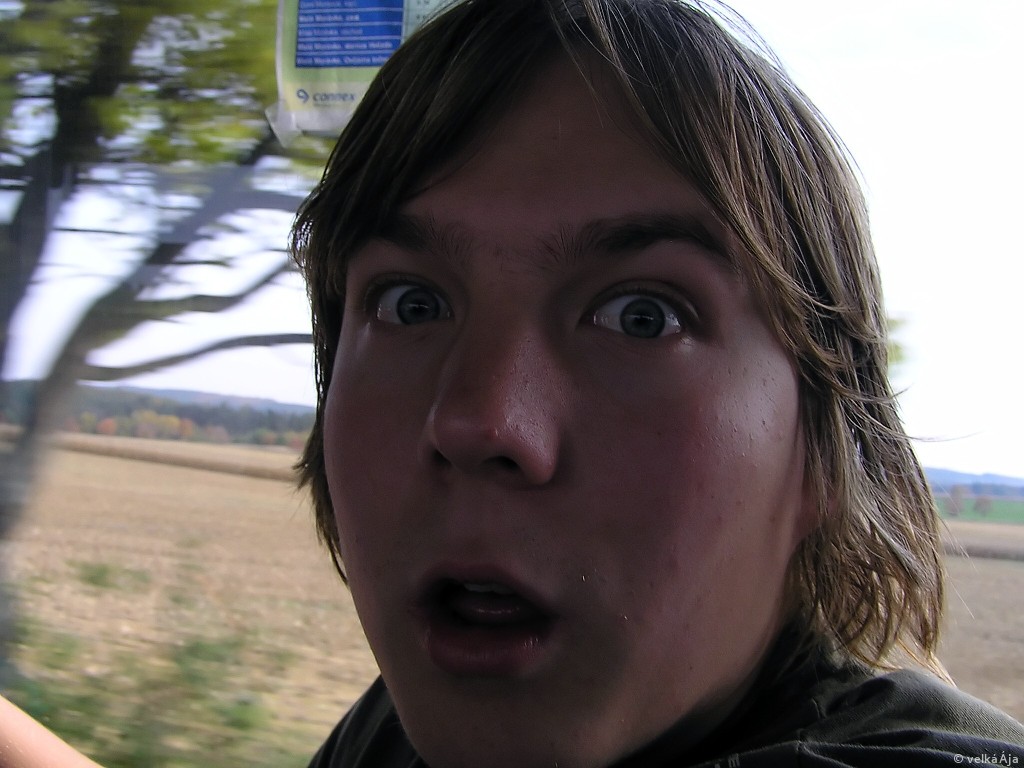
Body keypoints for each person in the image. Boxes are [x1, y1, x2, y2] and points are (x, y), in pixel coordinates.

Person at [0, 1, 1022, 767]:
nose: (480, 420)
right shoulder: (390, 736)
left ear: (825, 455)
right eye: (409, 304)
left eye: (643, 316)